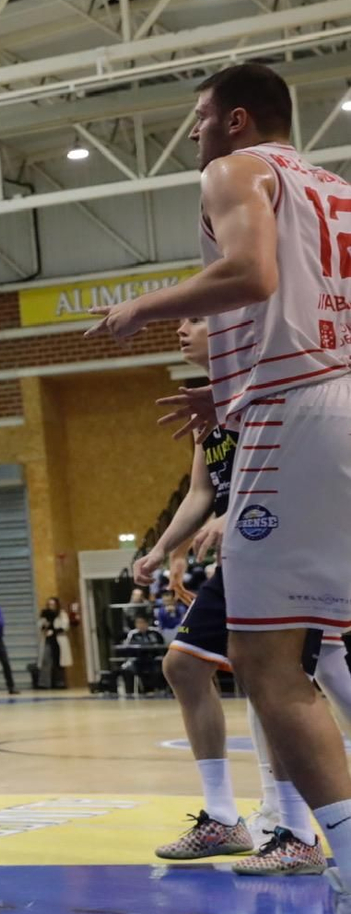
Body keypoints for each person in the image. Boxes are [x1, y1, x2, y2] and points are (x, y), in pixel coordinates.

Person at [131, 316, 314, 871]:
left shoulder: (266, 382)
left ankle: (298, 831)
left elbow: (302, 468)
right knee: (184, 667)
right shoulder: (204, 409)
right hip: (244, 554)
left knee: (282, 681)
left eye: (195, 318)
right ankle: (223, 819)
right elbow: (202, 489)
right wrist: (162, 548)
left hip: (291, 544)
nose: (182, 330)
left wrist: (235, 513)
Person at [39, 597, 71, 690]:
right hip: (48, 640)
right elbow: (41, 626)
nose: (50, 607)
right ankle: (44, 683)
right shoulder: (44, 615)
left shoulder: (61, 614)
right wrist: (44, 626)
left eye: (52, 605)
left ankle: (60, 682)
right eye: (49, 605)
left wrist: (54, 631)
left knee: (59, 662)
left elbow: (65, 626)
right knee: (46, 660)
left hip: (58, 639)